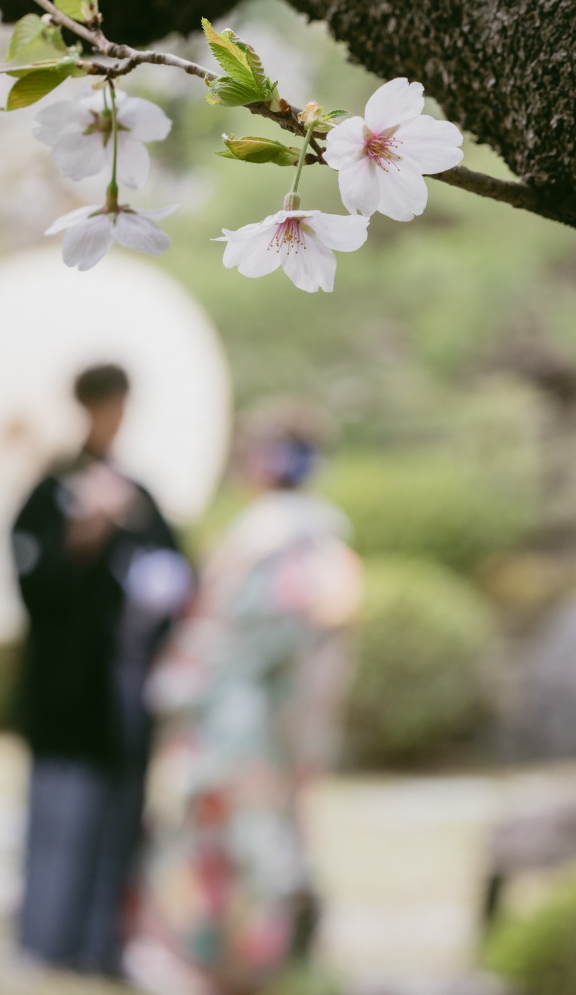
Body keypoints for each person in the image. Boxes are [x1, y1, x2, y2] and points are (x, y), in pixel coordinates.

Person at [126, 401, 362, 995]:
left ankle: (226, 963)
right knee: (269, 835)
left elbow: (232, 645)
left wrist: (180, 683)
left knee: (230, 842)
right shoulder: (322, 539)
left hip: (237, 723)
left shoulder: (266, 537)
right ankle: (265, 960)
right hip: (283, 723)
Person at [11, 363, 193, 976]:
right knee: (62, 815)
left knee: (122, 817)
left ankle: (105, 941)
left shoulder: (137, 495)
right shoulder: (50, 490)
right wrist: (79, 541)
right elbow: (32, 580)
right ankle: (47, 938)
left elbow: (174, 573)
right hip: (67, 687)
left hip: (128, 684)